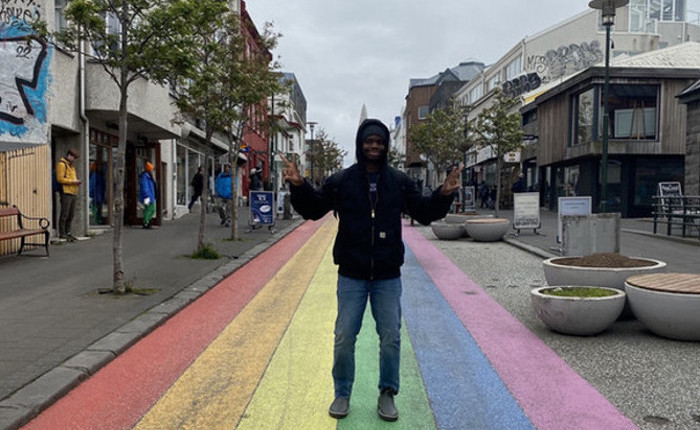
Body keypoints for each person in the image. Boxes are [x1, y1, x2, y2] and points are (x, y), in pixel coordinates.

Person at [280, 118, 462, 422]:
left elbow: (424, 212)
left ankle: (387, 392)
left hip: (387, 276)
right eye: (369, 141)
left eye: (379, 141)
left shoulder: (400, 182)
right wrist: (299, 185)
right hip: (351, 274)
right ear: (360, 144)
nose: (374, 146)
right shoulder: (341, 181)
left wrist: (444, 193)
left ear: (386, 145)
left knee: (390, 336)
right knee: (344, 336)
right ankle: (342, 391)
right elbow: (313, 209)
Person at [56, 149, 82, 241]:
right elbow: (60, 179)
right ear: (69, 155)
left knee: (71, 214)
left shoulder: (72, 166)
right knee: (65, 213)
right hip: (66, 191)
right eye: (73, 157)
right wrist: (73, 182)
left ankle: (68, 232)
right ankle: (62, 233)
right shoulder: (62, 165)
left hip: (73, 192)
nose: (74, 159)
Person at [139, 161, 157, 229]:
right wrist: (147, 195)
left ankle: (147, 221)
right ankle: (146, 222)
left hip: (149, 196)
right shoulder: (145, 177)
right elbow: (145, 187)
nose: (152, 171)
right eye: (151, 170)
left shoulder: (147, 176)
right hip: (147, 196)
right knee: (150, 209)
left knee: (149, 209)